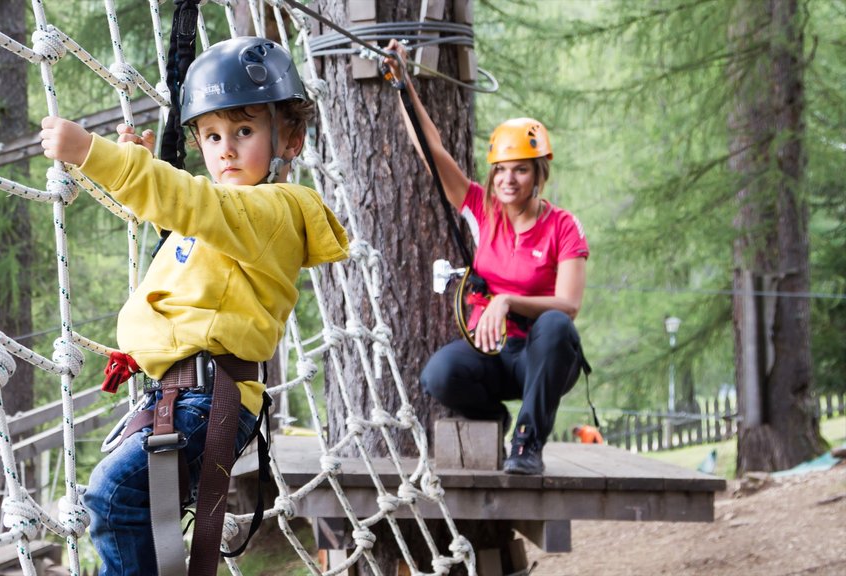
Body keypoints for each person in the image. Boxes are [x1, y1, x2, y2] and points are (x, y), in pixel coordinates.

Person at [40, 36, 349, 574]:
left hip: (209, 399)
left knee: (114, 498)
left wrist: (90, 152)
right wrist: (134, 160)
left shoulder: (272, 210)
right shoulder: (223, 220)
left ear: (291, 139)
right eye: (211, 135)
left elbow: (188, 200)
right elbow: (182, 229)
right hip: (183, 394)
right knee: (129, 507)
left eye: (244, 131)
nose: (225, 149)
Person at [383, 40, 589, 476]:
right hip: (495, 355)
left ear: (539, 174)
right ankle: (495, 418)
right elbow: (431, 151)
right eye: (501, 169)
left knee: (555, 324)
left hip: (544, 357)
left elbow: (569, 304)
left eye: (521, 168)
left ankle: (527, 446)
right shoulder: (482, 210)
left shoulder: (563, 227)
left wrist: (507, 300)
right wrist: (405, 87)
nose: (508, 179)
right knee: (439, 374)